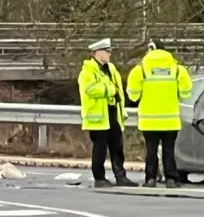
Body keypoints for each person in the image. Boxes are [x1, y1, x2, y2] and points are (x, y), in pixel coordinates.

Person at [126, 39, 193, 188]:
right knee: (169, 150)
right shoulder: (177, 69)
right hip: (170, 119)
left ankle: (150, 179)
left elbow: (133, 94)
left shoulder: (141, 69)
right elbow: (187, 91)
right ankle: (171, 179)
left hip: (149, 120)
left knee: (151, 150)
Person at [77, 38, 139, 188]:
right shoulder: (88, 71)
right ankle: (99, 178)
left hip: (112, 114)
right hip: (97, 117)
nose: (110, 54)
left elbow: (118, 89)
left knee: (117, 146)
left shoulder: (111, 69)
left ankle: (120, 176)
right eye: (107, 51)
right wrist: (111, 91)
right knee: (100, 149)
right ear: (98, 52)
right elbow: (91, 89)